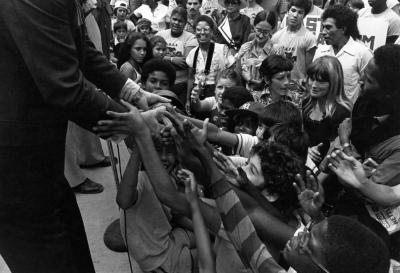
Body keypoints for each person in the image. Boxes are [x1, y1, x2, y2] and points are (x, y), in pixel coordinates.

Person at [0, 0, 168, 272]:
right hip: (13, 162)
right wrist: (133, 125)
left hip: (38, 154)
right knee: (46, 257)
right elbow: (65, 87)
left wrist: (133, 92)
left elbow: (81, 49)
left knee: (71, 244)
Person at [314, 5, 372, 103]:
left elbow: (368, 88)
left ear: (343, 29)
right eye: (323, 27)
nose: (323, 32)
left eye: (328, 27)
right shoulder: (320, 51)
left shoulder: (362, 53)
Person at [303, 56, 352, 166]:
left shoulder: (341, 112)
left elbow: (337, 152)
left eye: (320, 81)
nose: (314, 85)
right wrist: (306, 150)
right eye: (312, 78)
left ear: (334, 83)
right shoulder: (306, 103)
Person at [186, 15, 235, 102]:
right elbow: (190, 78)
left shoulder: (222, 49)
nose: (202, 32)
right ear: (194, 32)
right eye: (198, 29)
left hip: (218, 91)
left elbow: (231, 73)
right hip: (198, 91)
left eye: (206, 29)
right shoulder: (192, 53)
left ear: (212, 32)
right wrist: (188, 100)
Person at [157, 7, 199, 104]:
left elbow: (185, 62)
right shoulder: (161, 34)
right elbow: (153, 56)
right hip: (161, 82)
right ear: (170, 19)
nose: (176, 23)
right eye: (174, 19)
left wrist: (162, 58)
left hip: (180, 84)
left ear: (185, 23)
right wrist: (172, 59)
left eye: (180, 21)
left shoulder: (190, 37)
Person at [271, 0, 317, 81]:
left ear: (304, 15)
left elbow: (309, 69)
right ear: (287, 12)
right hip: (279, 83)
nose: (295, 15)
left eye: (300, 12)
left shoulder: (310, 38)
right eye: (293, 10)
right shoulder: (276, 36)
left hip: (299, 86)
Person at [236, 10, 278, 93]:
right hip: (248, 94)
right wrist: (238, 58)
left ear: (272, 30)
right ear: (254, 26)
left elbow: (279, 77)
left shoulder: (276, 50)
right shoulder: (245, 47)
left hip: (269, 95)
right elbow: (238, 75)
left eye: (266, 32)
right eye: (258, 30)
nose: (261, 35)